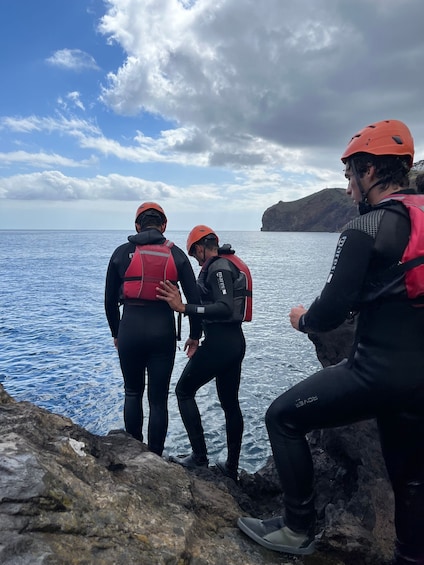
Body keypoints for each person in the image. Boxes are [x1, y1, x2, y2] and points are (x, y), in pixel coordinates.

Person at [237, 119, 424, 564]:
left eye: (349, 176)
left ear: (371, 172)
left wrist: (303, 320)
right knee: (411, 479)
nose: (347, 190)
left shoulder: (367, 228)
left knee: (282, 417)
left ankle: (296, 528)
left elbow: (331, 312)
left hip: (376, 374)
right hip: (419, 379)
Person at [104, 202, 202, 456]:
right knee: (158, 401)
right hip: (162, 331)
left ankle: (133, 454)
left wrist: (117, 332)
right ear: (164, 225)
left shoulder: (119, 253)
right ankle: (155, 457)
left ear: (137, 226)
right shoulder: (177, 255)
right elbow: (195, 300)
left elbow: (108, 302)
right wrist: (195, 335)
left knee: (132, 392)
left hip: (130, 329)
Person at [157, 225, 250, 482]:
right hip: (232, 342)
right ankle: (231, 468)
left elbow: (222, 307)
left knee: (183, 391)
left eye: (194, 255)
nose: (197, 262)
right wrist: (195, 335)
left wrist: (183, 307)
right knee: (230, 405)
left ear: (199, 248)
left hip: (221, 344)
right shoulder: (224, 266)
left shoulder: (218, 268)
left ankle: (199, 458)